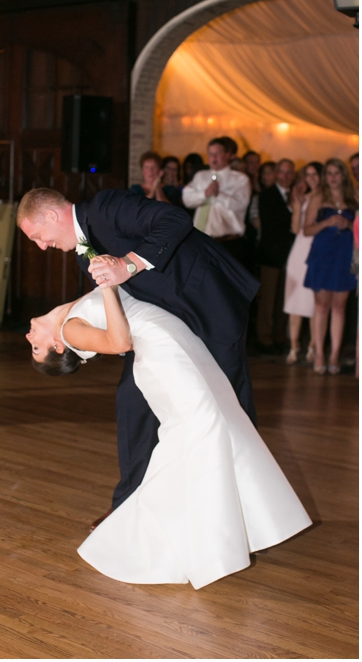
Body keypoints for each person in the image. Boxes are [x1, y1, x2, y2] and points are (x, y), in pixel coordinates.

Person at [26, 273, 311, 589]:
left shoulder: (67, 316)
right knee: (203, 427)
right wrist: (106, 286)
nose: (29, 339)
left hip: (175, 341)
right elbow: (121, 342)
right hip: (163, 354)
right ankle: (193, 538)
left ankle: (238, 523)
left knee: (218, 420)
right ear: (57, 345)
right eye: (37, 348)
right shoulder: (70, 330)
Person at [17, 187, 258, 527]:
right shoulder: (80, 253)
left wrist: (127, 265)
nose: (41, 246)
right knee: (132, 399)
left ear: (52, 216)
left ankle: (247, 510)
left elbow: (175, 219)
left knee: (230, 401)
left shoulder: (106, 205)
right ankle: (129, 507)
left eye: (38, 236)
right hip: (167, 322)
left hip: (208, 300)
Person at [303, 158, 358, 374]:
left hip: (345, 254)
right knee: (321, 305)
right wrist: (326, 222)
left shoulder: (353, 198)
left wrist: (348, 224)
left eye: (337, 173)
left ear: (344, 175)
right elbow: (306, 230)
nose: (333, 177)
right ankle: (319, 353)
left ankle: (334, 353)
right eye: (329, 173)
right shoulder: (319, 197)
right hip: (323, 254)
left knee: (340, 306)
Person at [182, 137, 251, 264]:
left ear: (228, 155)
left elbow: (240, 204)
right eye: (210, 153)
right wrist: (204, 194)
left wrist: (219, 195)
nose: (213, 157)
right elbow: (187, 199)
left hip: (227, 243)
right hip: (200, 240)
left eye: (217, 153)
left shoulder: (240, 179)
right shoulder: (201, 176)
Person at [255, 159, 296, 354]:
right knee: (268, 300)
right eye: (282, 172)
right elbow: (271, 224)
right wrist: (290, 209)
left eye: (290, 173)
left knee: (283, 299)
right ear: (276, 173)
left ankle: (279, 336)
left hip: (290, 255)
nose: (286, 177)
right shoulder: (267, 195)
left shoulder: (295, 194)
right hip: (270, 255)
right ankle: (265, 339)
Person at [284, 162, 323, 364]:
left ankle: (313, 347)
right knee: (294, 299)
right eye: (307, 175)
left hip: (316, 248)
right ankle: (294, 347)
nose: (311, 179)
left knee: (314, 300)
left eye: (315, 174)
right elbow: (295, 228)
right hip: (299, 249)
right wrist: (298, 205)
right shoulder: (306, 197)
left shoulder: (325, 198)